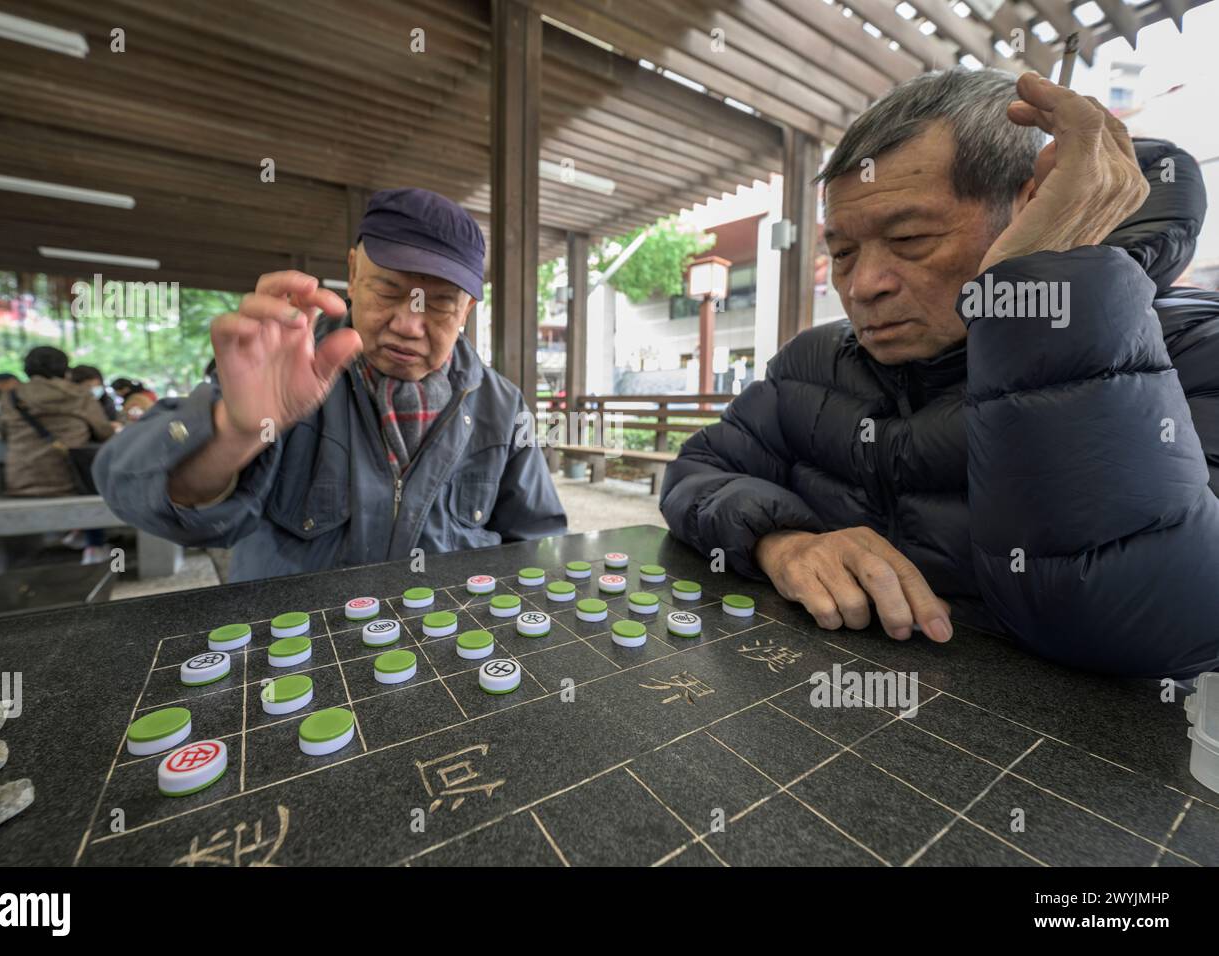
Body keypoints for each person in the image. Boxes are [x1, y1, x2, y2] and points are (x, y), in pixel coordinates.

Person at [660, 68, 1219, 680]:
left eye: (910, 237)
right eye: (842, 253)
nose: (863, 286)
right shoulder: (813, 363)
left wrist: (1045, 298)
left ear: (1032, 205)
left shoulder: (1185, 349)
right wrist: (783, 541)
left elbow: (1165, 623)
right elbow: (698, 472)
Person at [94, 188, 566, 582]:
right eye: (387, 291)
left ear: (466, 310)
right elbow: (130, 490)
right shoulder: (285, 365)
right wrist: (233, 433)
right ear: (354, 273)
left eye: (440, 304)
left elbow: (538, 541)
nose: (408, 324)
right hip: (296, 653)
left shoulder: (502, 406)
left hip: (443, 650)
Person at [0, 346, 117, 563]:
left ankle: (80, 537)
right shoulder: (79, 394)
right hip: (71, 482)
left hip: (21, 481)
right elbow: (105, 433)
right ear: (65, 369)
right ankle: (95, 545)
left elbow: (3, 431)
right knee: (99, 478)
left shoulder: (12, 395)